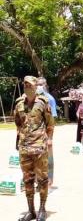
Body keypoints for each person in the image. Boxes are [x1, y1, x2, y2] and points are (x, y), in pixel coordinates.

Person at [14, 76, 55, 221]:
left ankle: (42, 209)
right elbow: (17, 123)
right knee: (27, 181)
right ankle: (31, 211)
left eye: (29, 84)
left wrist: (49, 139)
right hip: (24, 149)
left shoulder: (43, 102)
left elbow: (50, 123)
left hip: (39, 148)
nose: (26, 86)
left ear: (36, 87)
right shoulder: (19, 103)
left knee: (43, 180)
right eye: (24, 84)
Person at [36, 77, 57, 188]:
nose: (39, 86)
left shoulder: (50, 99)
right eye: (37, 84)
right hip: (35, 135)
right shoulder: (34, 99)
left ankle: (49, 180)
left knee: (48, 158)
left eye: (41, 84)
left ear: (45, 85)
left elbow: (52, 121)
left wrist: (50, 138)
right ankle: (38, 181)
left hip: (45, 134)